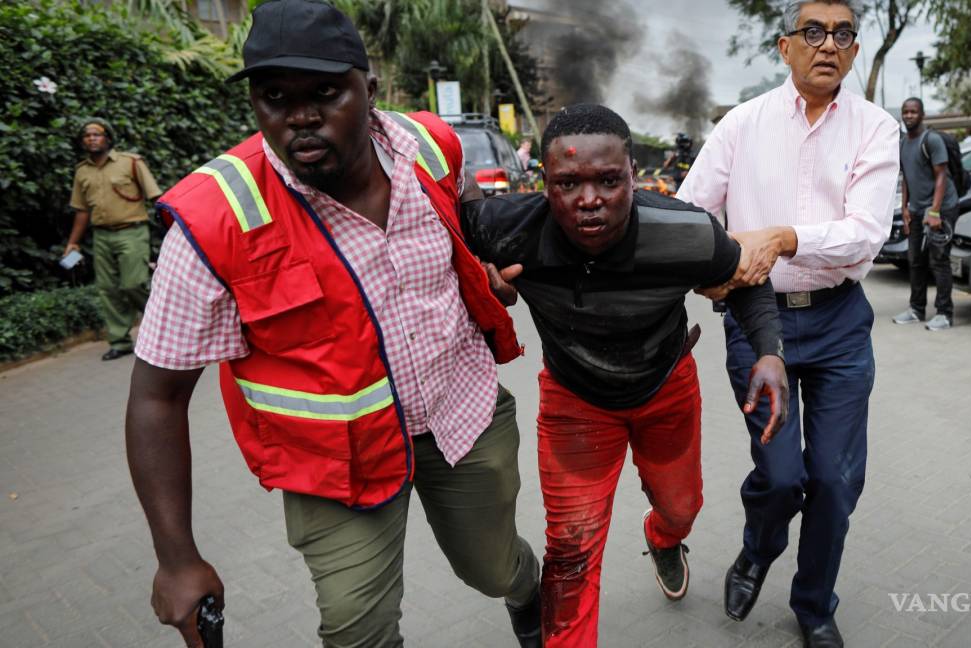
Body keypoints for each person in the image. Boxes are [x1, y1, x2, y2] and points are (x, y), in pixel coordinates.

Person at [124, 2, 541, 646]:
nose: (299, 117)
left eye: (324, 92)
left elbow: (468, 212)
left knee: (492, 570)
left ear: (368, 91)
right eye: (274, 97)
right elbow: (156, 398)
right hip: (335, 466)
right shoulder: (213, 220)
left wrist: (481, 264)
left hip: (463, 416)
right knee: (356, 630)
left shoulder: (430, 145)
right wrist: (176, 558)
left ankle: (528, 595)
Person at [462, 103, 789, 647]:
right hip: (575, 404)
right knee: (570, 552)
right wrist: (479, 275)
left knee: (683, 509)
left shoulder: (686, 231)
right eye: (568, 183)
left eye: (609, 180)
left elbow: (746, 281)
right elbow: (445, 222)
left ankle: (663, 538)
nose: (590, 199)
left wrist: (770, 353)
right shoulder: (508, 231)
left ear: (633, 178)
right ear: (544, 184)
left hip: (667, 392)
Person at [676, 1, 900, 646]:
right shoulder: (741, 125)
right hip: (756, 322)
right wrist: (706, 263)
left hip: (839, 325)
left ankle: (814, 605)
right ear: (784, 47)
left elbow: (865, 235)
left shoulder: (875, 129)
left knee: (833, 480)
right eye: (813, 32)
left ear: (854, 51)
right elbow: (693, 214)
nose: (827, 45)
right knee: (781, 476)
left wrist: (782, 237)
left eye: (842, 35)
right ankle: (758, 547)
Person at [66, 118, 163, 361]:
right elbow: (82, 210)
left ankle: (165, 323)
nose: (91, 138)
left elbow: (156, 197)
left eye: (97, 134)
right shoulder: (82, 171)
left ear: (107, 138)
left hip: (132, 231)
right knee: (107, 289)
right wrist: (73, 243)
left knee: (134, 283)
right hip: (101, 235)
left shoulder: (130, 163)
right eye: (87, 135)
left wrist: (173, 229)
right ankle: (120, 342)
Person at [892, 97, 959, 331]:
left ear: (922, 115)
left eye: (913, 112)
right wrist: (905, 208)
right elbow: (907, 178)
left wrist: (935, 211)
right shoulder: (902, 144)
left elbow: (942, 176)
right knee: (915, 260)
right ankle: (916, 309)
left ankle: (944, 313)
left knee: (938, 260)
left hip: (941, 208)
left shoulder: (931, 140)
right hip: (917, 210)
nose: (909, 115)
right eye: (905, 111)